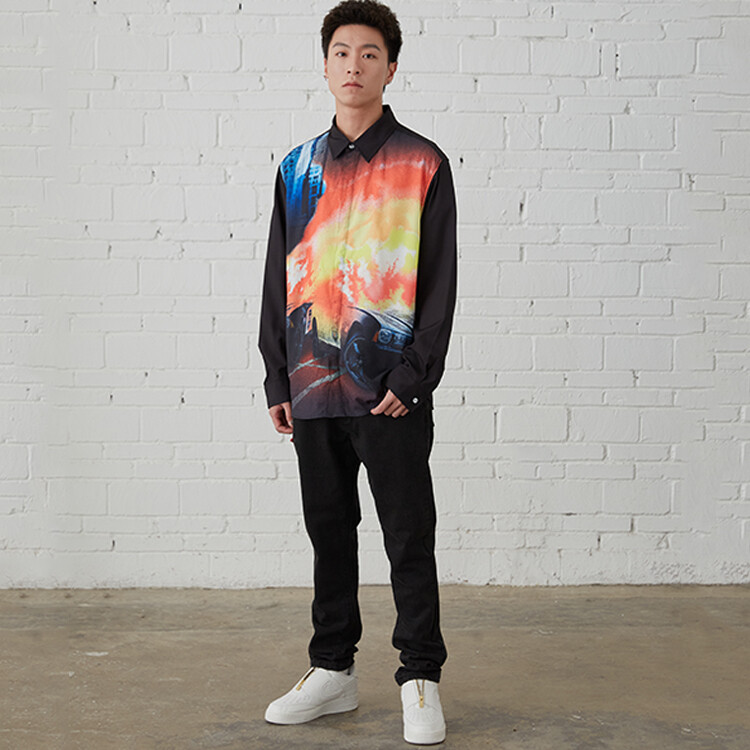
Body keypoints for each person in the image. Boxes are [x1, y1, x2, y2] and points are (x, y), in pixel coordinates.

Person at [257, 0, 457, 744]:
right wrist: (278, 377)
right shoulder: (295, 168)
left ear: (390, 69)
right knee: (328, 531)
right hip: (312, 388)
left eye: (369, 54)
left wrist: (412, 377)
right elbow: (278, 276)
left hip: (389, 394)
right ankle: (332, 669)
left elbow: (439, 284)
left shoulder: (422, 163)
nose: (354, 65)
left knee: (408, 533)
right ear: (325, 66)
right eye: (341, 52)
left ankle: (420, 676)